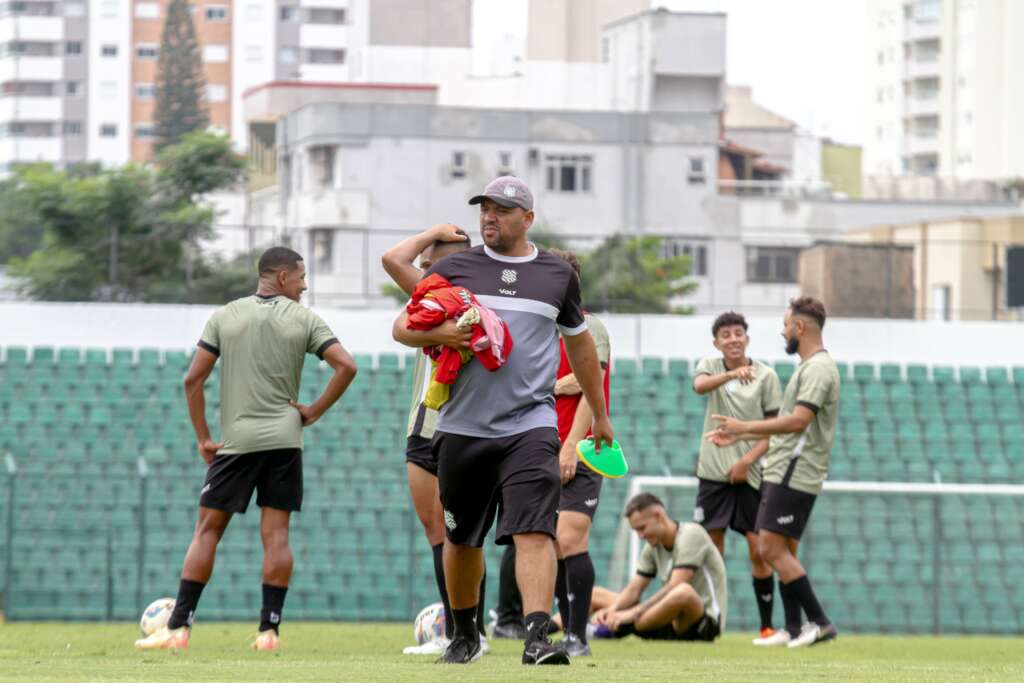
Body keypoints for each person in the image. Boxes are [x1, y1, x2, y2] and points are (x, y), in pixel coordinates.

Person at [391, 176, 614, 665]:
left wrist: (599, 415)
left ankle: (536, 638)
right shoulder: (455, 268)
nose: (489, 217)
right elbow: (403, 327)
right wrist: (448, 334)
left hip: (530, 425)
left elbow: (578, 343)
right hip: (462, 427)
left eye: (502, 209)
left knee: (536, 531)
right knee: (461, 538)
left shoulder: (557, 275)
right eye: (484, 208)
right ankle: (465, 635)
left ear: (527, 219)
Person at [134, 247, 358, 651]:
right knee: (276, 536)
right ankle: (268, 632)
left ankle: (179, 628)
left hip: (236, 443)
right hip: (286, 441)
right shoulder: (305, 319)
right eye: (302, 277)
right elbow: (347, 365)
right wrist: (313, 412)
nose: (305, 285)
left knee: (207, 531)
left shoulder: (225, 316)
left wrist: (204, 437)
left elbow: (192, 380)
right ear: (283, 277)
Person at [380, 224, 490, 655]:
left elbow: (392, 260)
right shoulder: (434, 293)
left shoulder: (479, 296)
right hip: (423, 423)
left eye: (430, 260)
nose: (422, 267)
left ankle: (472, 631)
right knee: (436, 530)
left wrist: (436, 234)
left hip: (465, 423)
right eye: (422, 263)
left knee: (461, 534)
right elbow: (400, 326)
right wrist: (439, 335)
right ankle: (456, 633)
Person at [707, 296, 840, 648]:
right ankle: (794, 629)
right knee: (783, 549)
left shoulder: (817, 369)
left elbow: (798, 421)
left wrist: (743, 427)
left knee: (768, 546)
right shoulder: (809, 366)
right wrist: (740, 431)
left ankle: (821, 622)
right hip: (787, 469)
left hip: (795, 470)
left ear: (800, 328)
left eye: (785, 326)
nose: (783, 333)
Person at [692, 311, 782, 644]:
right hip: (713, 474)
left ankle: (767, 625)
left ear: (747, 338)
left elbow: (776, 430)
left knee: (759, 549)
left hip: (752, 476)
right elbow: (700, 386)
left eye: (738, 333)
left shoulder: (767, 376)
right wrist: (731, 376)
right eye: (725, 335)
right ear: (716, 342)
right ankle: (710, 621)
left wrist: (746, 460)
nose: (733, 339)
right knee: (711, 549)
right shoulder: (710, 367)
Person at [589, 493, 726, 642]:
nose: (640, 536)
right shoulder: (652, 546)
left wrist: (631, 613)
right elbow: (635, 589)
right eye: (636, 531)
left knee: (683, 592)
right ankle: (568, 631)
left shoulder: (692, 534)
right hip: (669, 620)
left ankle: (607, 631)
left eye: (642, 528)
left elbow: (675, 586)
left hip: (703, 623)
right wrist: (612, 610)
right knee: (595, 594)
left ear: (658, 515)